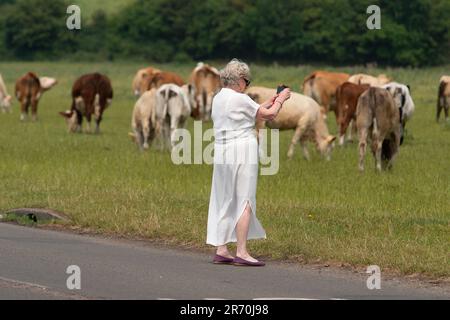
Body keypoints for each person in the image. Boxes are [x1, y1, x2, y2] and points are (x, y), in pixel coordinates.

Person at [206, 59, 291, 266]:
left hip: (222, 151)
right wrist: (281, 100)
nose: (247, 85)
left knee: (224, 197)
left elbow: (252, 110)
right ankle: (242, 252)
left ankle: (222, 248)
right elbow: (269, 116)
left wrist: (271, 99)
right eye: (247, 81)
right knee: (245, 198)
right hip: (242, 149)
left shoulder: (219, 98)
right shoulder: (240, 98)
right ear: (239, 80)